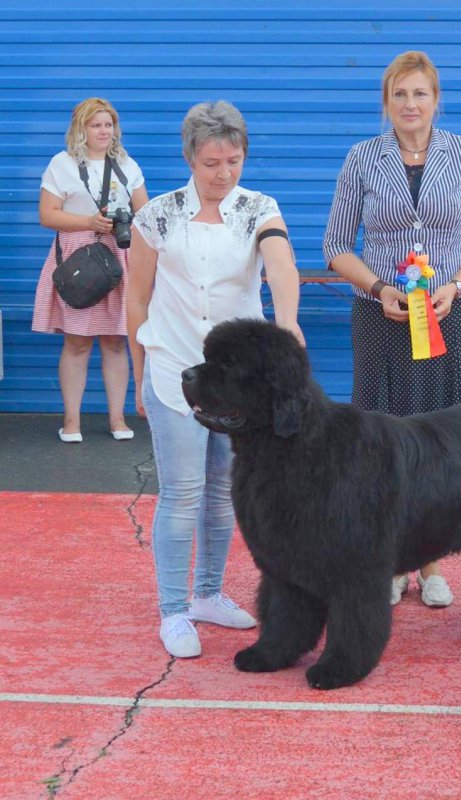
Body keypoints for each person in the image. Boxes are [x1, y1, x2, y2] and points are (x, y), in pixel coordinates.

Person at [323, 51, 461, 609]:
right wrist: (379, 288)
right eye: (399, 94)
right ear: (386, 102)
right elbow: (335, 247)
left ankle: (432, 562)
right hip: (380, 317)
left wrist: (453, 285)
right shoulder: (361, 158)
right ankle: (386, 561)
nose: (410, 104)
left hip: (449, 316)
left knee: (444, 441)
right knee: (379, 440)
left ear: (436, 100)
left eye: (420, 94)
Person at [127, 101, 305, 658]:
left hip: (236, 388)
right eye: (211, 162)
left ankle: (209, 592)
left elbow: (281, 263)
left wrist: (289, 320)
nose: (223, 172)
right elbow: (137, 296)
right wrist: (138, 371)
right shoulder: (158, 216)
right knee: (181, 495)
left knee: (225, 496)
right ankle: (173, 611)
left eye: (233, 160)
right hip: (173, 367)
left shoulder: (259, 209)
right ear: (190, 158)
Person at [33, 97, 149, 442]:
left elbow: (145, 214)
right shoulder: (62, 164)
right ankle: (72, 422)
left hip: (118, 256)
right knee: (78, 341)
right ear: (80, 129)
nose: (104, 131)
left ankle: (118, 419)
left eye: (108, 124)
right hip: (78, 257)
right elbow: (47, 214)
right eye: (96, 125)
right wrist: (89, 222)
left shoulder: (127, 164)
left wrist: (125, 223)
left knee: (116, 340)